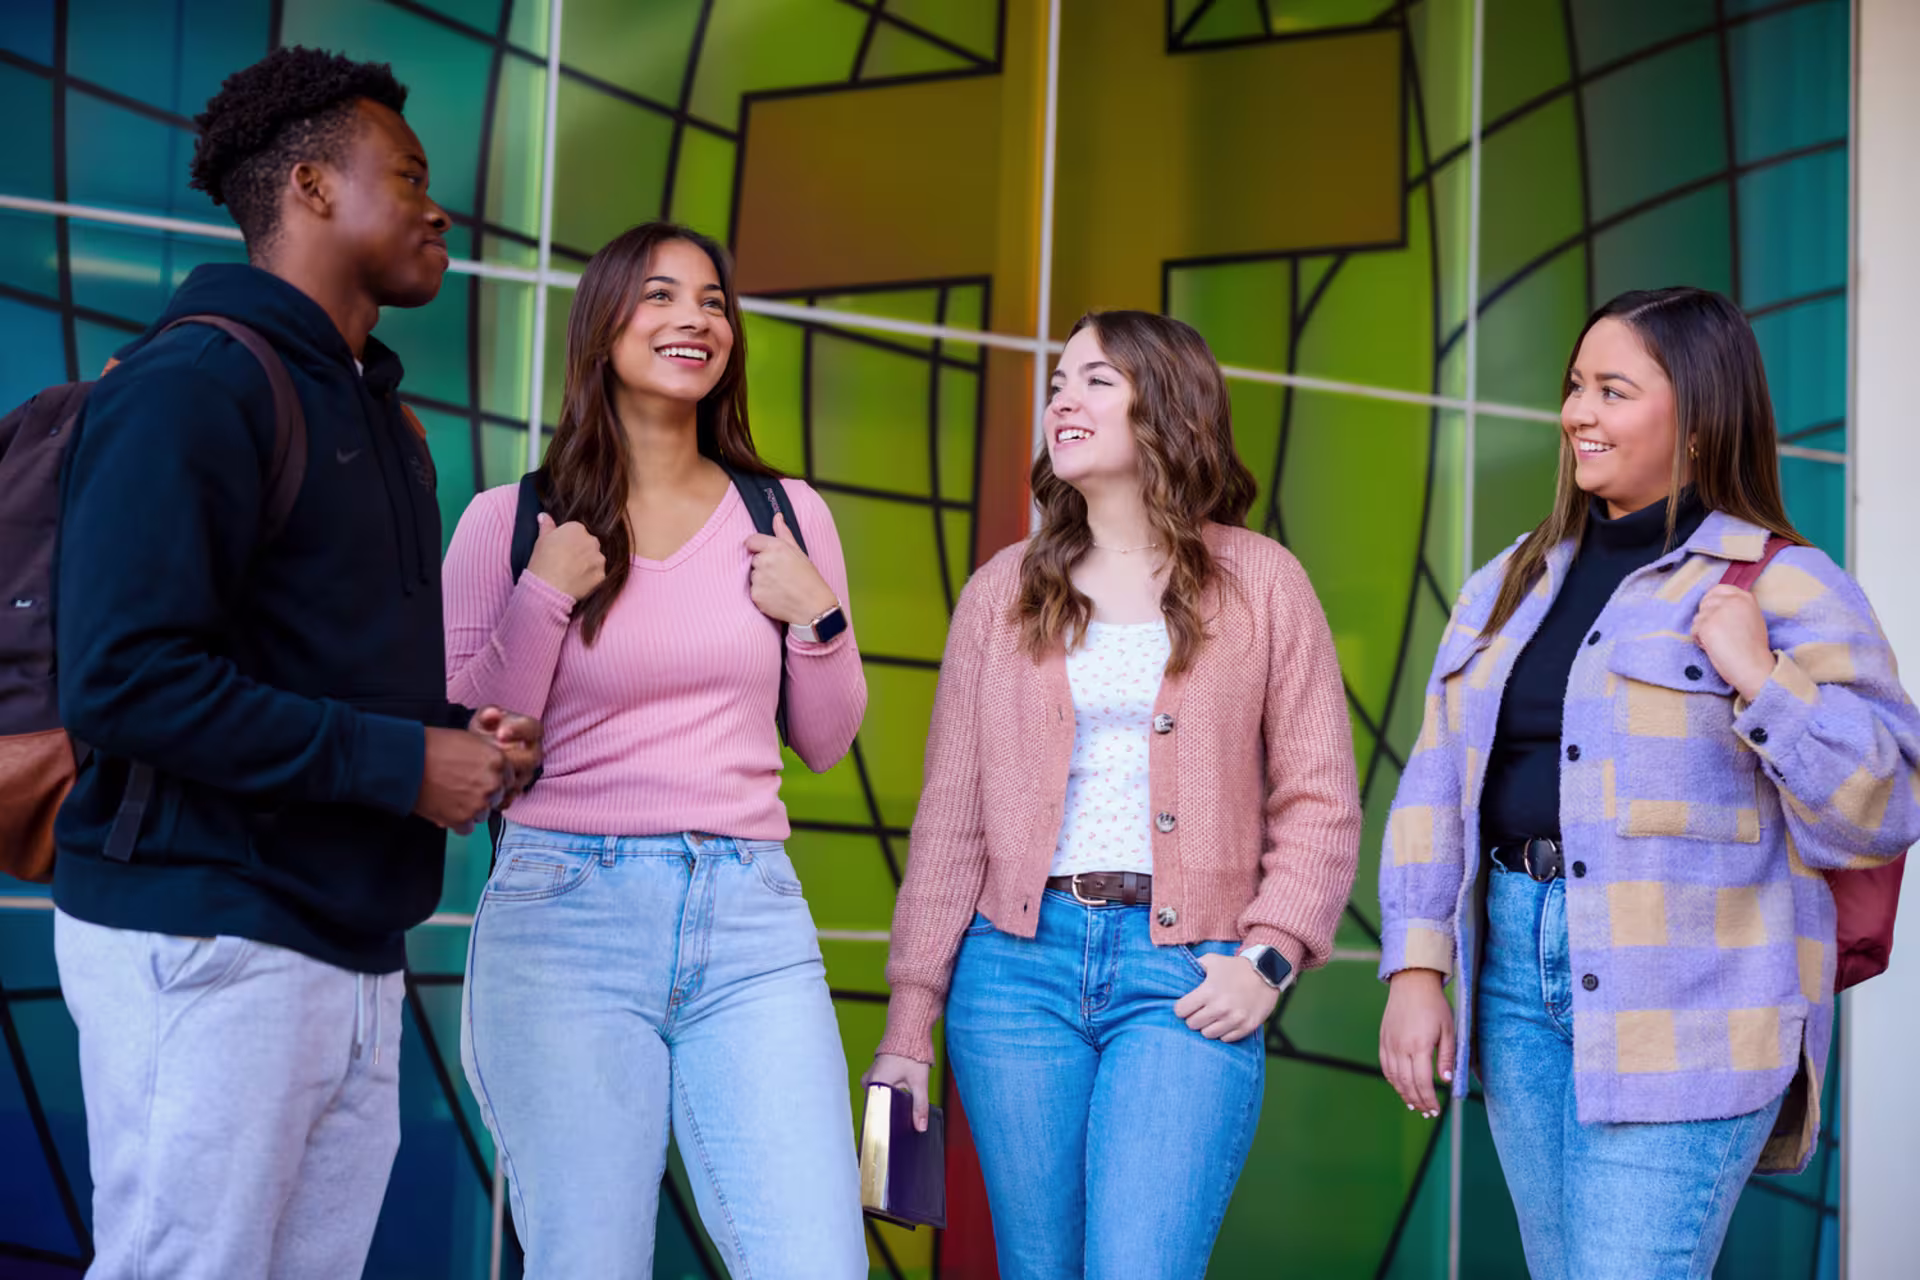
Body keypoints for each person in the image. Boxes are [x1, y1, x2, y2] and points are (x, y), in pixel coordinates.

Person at [51, 47, 540, 1280]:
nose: (440, 209)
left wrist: (451, 734)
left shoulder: (385, 418)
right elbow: (122, 679)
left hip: (351, 947)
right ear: (313, 187)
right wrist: (402, 763)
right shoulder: (196, 381)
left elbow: (318, 664)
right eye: (409, 176)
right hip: (206, 930)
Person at [1376, 287, 1920, 1278]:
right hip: (1516, 985)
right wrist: (1417, 967)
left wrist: (1763, 675)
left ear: (1701, 419)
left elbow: (1884, 803)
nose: (1578, 413)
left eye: (1613, 390)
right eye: (1576, 386)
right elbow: (1434, 783)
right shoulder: (1508, 583)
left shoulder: (1784, 582)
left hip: (1698, 999)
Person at [865, 310, 1361, 1278]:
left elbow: (1320, 799)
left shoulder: (1264, 583)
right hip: (1015, 977)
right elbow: (952, 817)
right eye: (1058, 381)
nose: (1063, 398)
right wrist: (908, 1021)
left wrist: (1266, 959)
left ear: (1166, 405)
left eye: (1095, 379)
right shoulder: (1002, 592)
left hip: (1186, 977)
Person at [443, 221, 869, 1279]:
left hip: (751, 915)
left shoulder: (788, 515)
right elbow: (467, 743)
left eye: (713, 301)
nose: (696, 319)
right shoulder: (509, 521)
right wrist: (544, 594)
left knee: (817, 1262)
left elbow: (825, 741)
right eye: (662, 295)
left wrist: (817, 617)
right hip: (564, 916)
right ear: (604, 325)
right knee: (589, 1261)